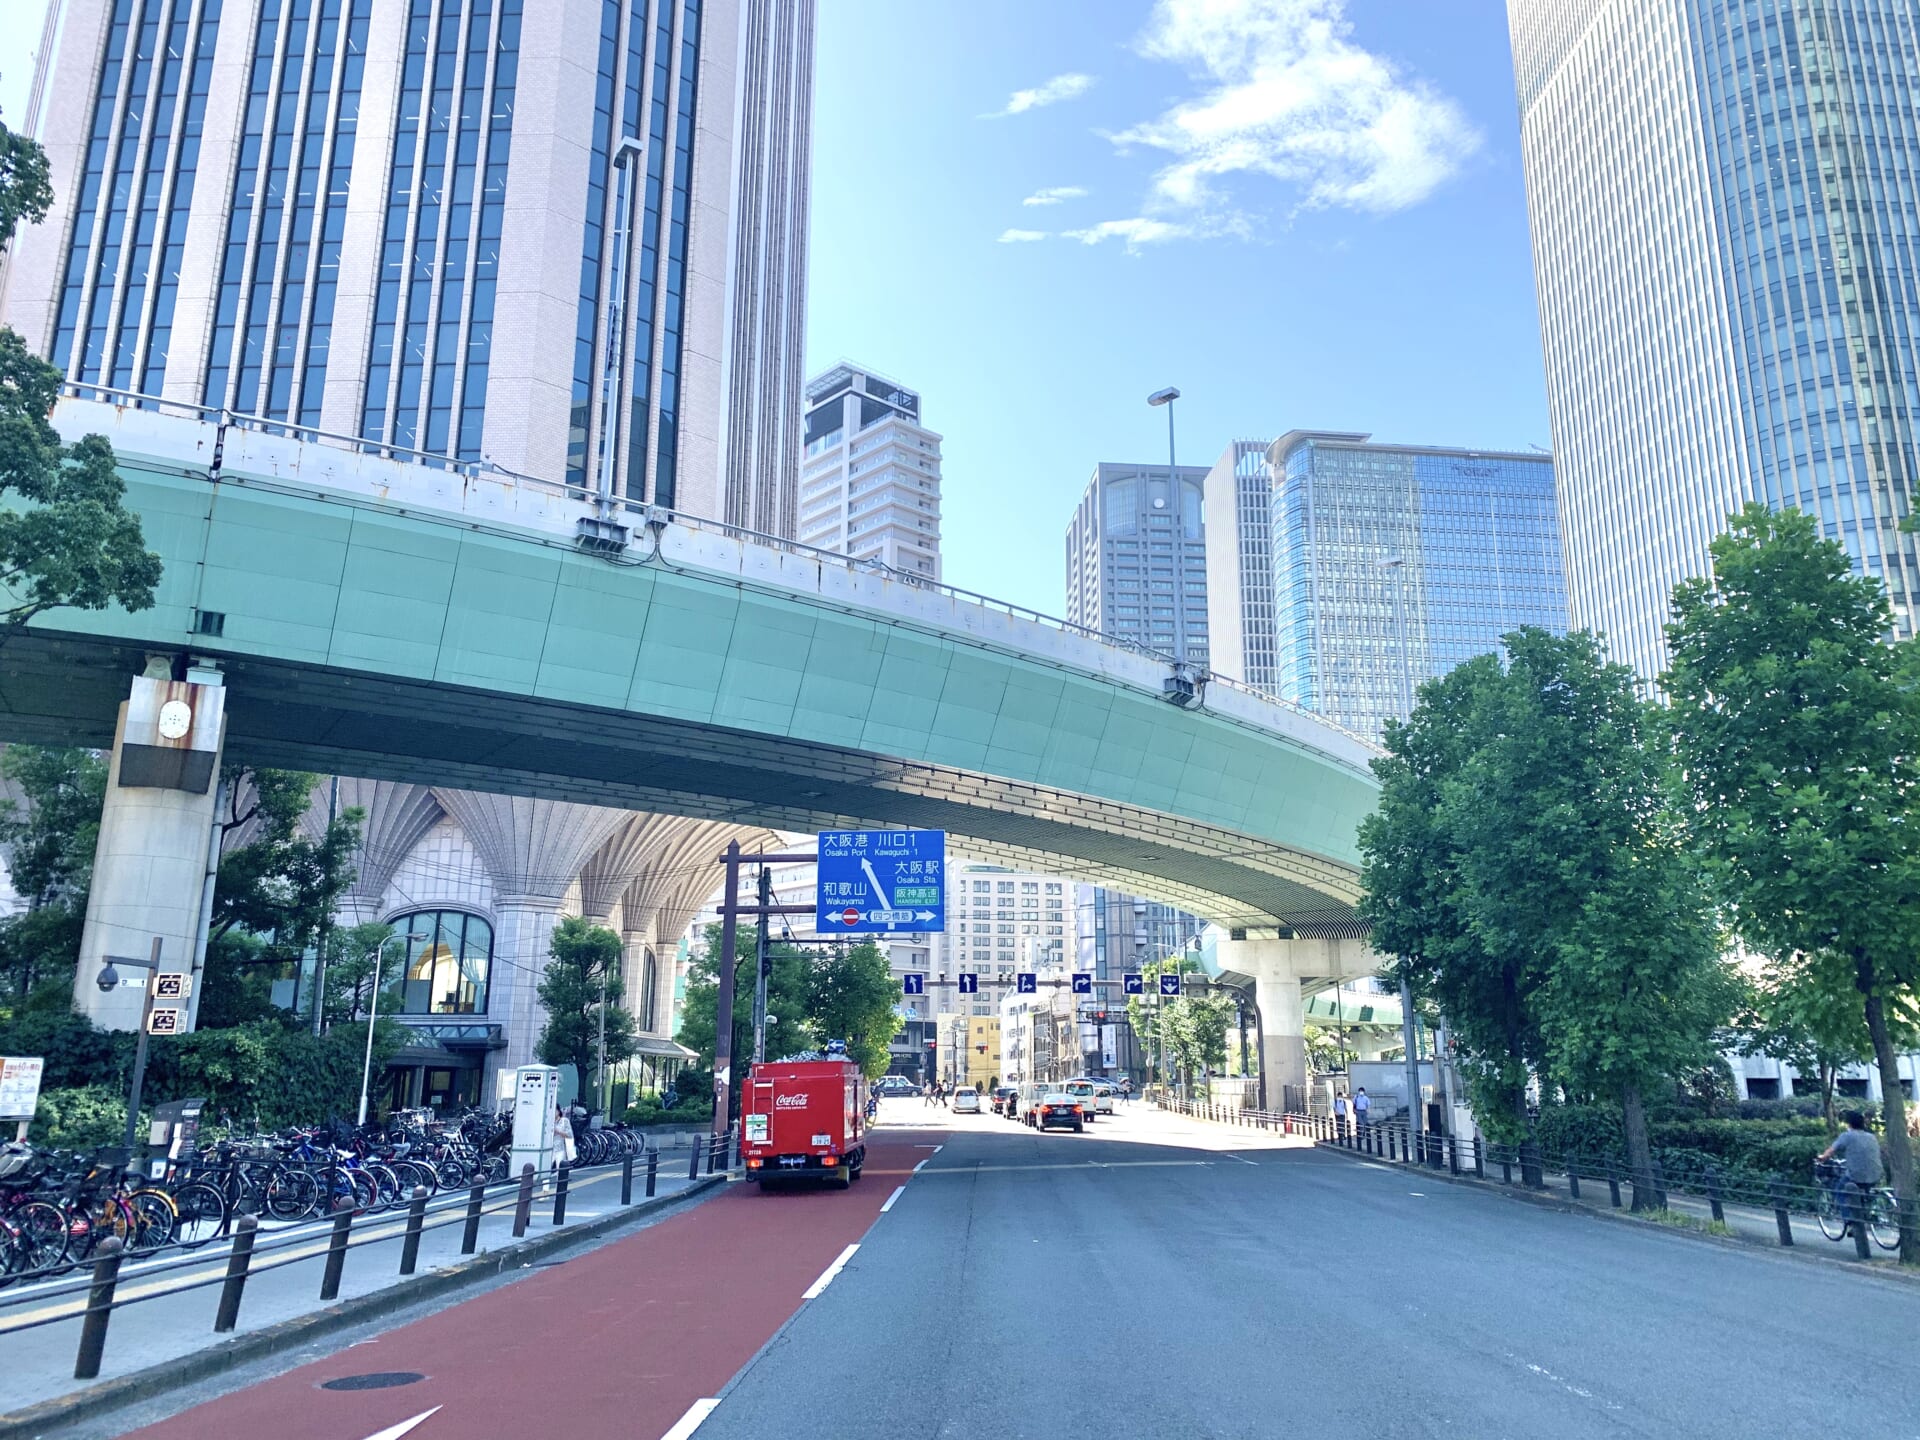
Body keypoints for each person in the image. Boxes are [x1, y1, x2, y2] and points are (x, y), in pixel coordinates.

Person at [1818, 1110, 1884, 1231]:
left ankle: (1850, 1222)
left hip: (1856, 1175)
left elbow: (1831, 1151)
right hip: (1876, 1173)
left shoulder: (1847, 1136)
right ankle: (1866, 1215)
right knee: (1864, 1193)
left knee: (1839, 1191)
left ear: (1849, 1124)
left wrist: (1822, 1158)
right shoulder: (1871, 1137)